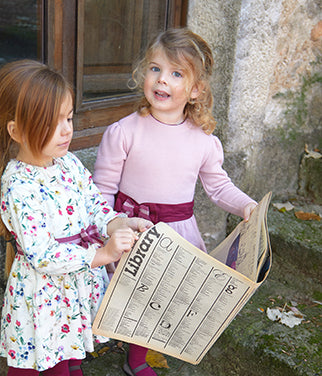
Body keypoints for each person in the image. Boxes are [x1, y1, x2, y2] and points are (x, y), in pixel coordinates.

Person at [93, 28, 258, 376]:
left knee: (160, 301)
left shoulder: (203, 142)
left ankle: (137, 359)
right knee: (124, 296)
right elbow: (101, 190)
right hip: (132, 229)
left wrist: (245, 206)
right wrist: (107, 228)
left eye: (176, 73)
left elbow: (218, 187)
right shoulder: (124, 132)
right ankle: (79, 351)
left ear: (196, 89)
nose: (161, 79)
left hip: (177, 233)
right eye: (155, 69)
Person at [0, 59, 152, 376]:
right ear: (17, 130)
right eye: (53, 122)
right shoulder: (19, 185)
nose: (67, 130)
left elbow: (92, 203)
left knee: (64, 352)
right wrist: (102, 254)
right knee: (36, 360)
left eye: (69, 117)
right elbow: (43, 253)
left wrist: (118, 223)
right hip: (42, 293)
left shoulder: (69, 163)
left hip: (72, 284)